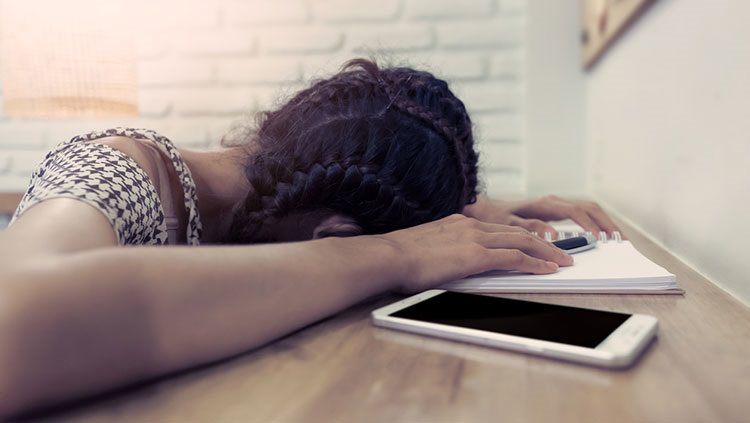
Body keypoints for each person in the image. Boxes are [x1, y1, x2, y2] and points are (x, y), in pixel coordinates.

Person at [0, 58, 621, 417]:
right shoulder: (114, 175)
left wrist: (481, 208)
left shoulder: (289, 184)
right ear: (334, 233)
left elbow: (359, 170)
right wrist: (391, 253)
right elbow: (13, 323)